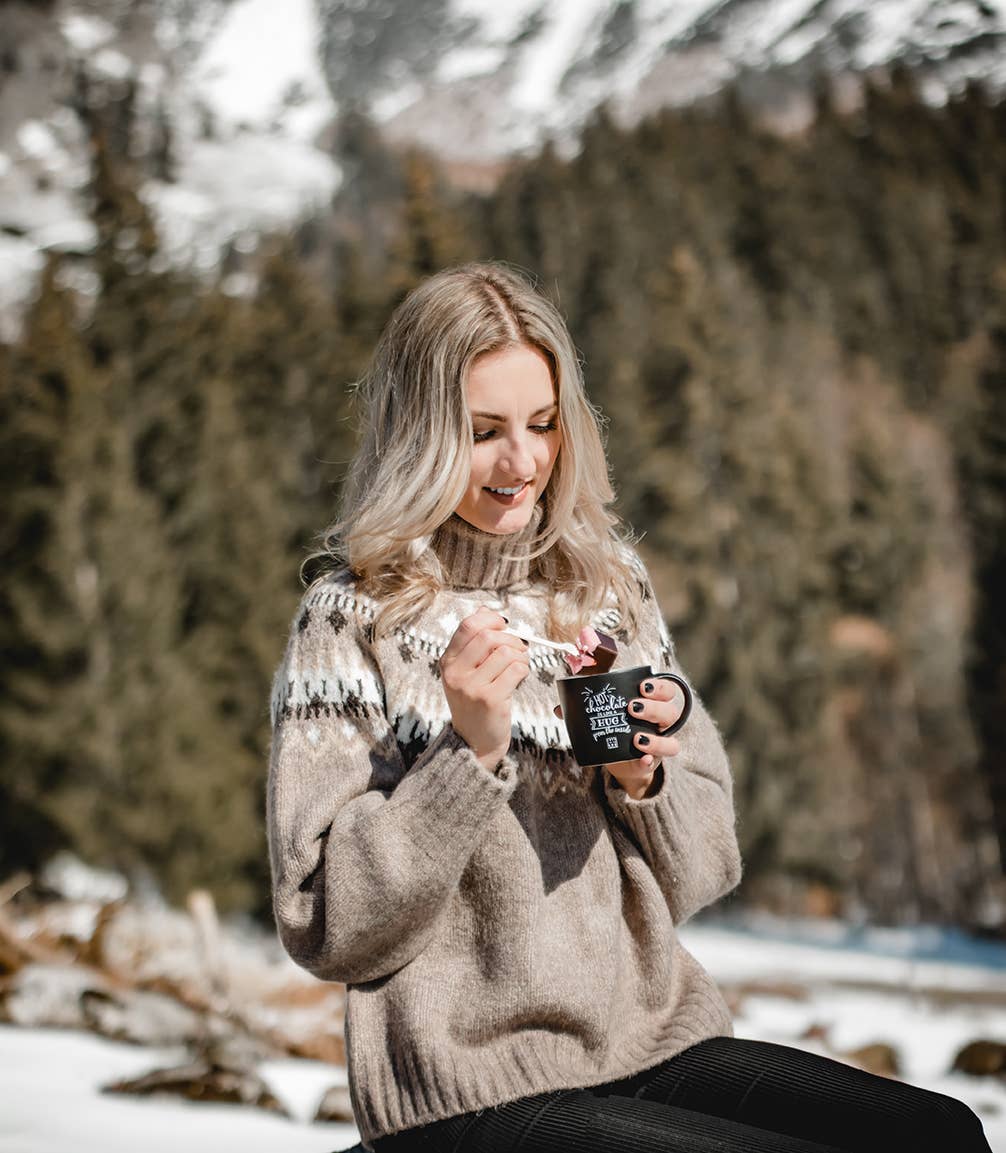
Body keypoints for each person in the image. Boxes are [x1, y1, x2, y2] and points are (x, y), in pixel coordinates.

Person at [267, 263, 991, 1153]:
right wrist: (466, 755)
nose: (523, 461)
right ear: (420, 434)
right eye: (483, 430)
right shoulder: (353, 618)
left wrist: (643, 776)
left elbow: (706, 865)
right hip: (466, 1089)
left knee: (941, 1131)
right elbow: (324, 925)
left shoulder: (604, 589)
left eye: (542, 425)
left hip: (650, 1040)